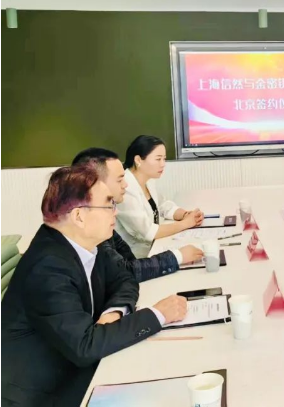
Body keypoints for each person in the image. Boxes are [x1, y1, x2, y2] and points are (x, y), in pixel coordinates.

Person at [1, 165, 188, 406]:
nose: (115, 212)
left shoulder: (86, 242)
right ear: (79, 216)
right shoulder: (47, 267)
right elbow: (85, 347)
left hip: (77, 365)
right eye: (109, 204)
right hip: (47, 391)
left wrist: (114, 312)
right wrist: (158, 314)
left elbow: (124, 279)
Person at [73, 148, 204, 281]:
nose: (125, 185)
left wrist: (184, 214)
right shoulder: (90, 224)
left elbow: (128, 263)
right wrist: (177, 256)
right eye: (119, 180)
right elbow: (125, 270)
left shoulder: (106, 212)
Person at [116, 135, 204, 257]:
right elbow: (148, 232)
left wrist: (185, 214)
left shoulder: (148, 180)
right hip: (138, 256)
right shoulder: (125, 188)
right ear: (138, 160)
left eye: (164, 159)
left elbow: (163, 205)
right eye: (158, 159)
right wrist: (186, 223)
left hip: (155, 246)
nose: (163, 164)